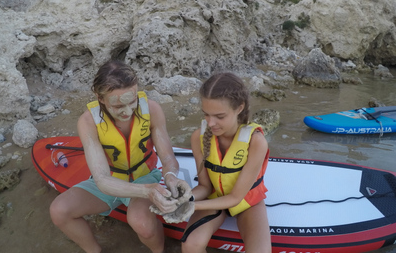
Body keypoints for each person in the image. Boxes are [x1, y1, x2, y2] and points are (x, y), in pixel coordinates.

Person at [50, 60, 192, 253]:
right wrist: (147, 192)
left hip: (145, 175)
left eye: (132, 102)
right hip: (110, 182)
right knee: (59, 211)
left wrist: (170, 177)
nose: (127, 112)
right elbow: (101, 179)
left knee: (142, 224)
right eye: (118, 106)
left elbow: (168, 159)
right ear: (100, 97)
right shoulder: (88, 121)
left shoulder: (152, 109)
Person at [181, 72, 271, 253]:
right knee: (190, 244)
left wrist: (190, 206)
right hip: (214, 197)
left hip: (247, 202)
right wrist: (183, 198)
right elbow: (205, 186)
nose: (211, 123)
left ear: (239, 108)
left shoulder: (256, 141)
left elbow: (235, 198)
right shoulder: (198, 137)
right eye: (206, 115)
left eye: (219, 116)